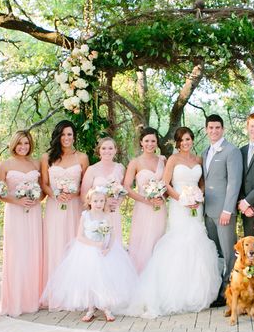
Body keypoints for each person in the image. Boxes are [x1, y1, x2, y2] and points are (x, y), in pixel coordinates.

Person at [125, 127, 222, 318]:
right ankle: (174, 292)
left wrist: (199, 195)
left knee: (197, 242)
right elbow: (166, 184)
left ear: (192, 140)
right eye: (182, 140)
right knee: (179, 243)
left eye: (188, 139)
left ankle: (196, 291)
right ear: (177, 142)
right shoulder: (172, 159)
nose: (185, 143)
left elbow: (202, 181)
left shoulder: (198, 160)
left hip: (196, 206)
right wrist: (183, 199)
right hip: (180, 206)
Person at [41, 188, 138, 322]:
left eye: (102, 201)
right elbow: (80, 237)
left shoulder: (107, 216)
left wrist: (108, 248)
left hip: (105, 252)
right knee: (90, 280)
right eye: (96, 201)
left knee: (105, 279)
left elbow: (113, 235)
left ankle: (106, 308)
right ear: (90, 201)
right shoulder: (85, 215)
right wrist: (94, 244)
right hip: (88, 251)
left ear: (105, 202)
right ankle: (91, 309)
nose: (99, 203)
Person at [0, 130, 43, 317]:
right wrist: (18, 200)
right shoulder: (5, 165)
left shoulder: (36, 163)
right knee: (16, 253)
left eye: (26, 143)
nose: (23, 147)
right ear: (13, 144)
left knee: (33, 251)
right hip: (15, 211)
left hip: (34, 211)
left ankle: (32, 299)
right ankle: (14, 301)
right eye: (19, 143)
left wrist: (36, 198)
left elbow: (42, 190)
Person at [40, 120, 89, 291]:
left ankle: (75, 290)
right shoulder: (47, 158)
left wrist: (73, 194)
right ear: (57, 136)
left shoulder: (82, 157)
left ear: (74, 136)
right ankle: (55, 290)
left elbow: (85, 184)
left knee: (75, 244)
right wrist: (56, 194)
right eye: (63, 134)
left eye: (69, 134)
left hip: (75, 207)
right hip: (55, 207)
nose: (66, 138)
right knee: (56, 245)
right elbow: (44, 184)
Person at [201, 115, 243, 308]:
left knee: (229, 253)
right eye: (211, 127)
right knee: (215, 253)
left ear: (223, 129)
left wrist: (228, 209)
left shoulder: (232, 151)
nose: (214, 131)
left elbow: (234, 182)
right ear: (206, 129)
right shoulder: (204, 152)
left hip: (224, 212)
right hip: (208, 211)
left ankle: (229, 290)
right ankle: (217, 287)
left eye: (217, 127)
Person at [124, 127, 168, 273]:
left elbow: (168, 185)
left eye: (153, 141)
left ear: (157, 143)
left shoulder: (163, 160)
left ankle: (156, 276)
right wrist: (146, 200)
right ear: (141, 142)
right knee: (142, 241)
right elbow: (127, 188)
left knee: (158, 239)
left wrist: (163, 197)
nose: (150, 144)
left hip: (159, 208)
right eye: (147, 141)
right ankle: (139, 274)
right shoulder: (135, 163)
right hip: (143, 208)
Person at [81, 137, 126, 246]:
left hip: (113, 212)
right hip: (97, 213)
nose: (107, 151)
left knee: (113, 244)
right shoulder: (92, 169)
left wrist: (116, 204)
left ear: (115, 150)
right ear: (99, 150)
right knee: (98, 244)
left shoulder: (120, 168)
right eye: (104, 148)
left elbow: (123, 191)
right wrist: (99, 206)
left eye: (110, 148)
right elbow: (84, 195)